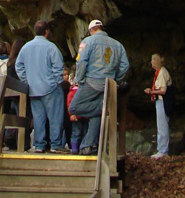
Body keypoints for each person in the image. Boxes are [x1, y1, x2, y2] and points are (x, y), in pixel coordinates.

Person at [69, 20, 130, 155]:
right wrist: (116, 81)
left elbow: (81, 61)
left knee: (74, 107)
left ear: (91, 30)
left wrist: (78, 79)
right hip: (109, 84)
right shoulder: (118, 45)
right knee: (96, 115)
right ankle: (88, 145)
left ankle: (103, 107)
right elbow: (125, 66)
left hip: (91, 82)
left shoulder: (88, 42)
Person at [16, 21, 67, 153]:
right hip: (50, 87)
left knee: (38, 118)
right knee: (55, 117)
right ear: (47, 31)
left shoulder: (26, 48)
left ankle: (39, 144)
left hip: (33, 89)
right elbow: (58, 66)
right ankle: (55, 144)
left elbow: (19, 66)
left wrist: (27, 81)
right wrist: (57, 81)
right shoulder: (51, 47)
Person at [4, 39, 30, 151]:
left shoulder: (9, 63)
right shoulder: (18, 63)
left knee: (16, 120)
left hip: (12, 96)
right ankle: (23, 143)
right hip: (21, 94)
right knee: (24, 119)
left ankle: (13, 141)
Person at [144, 54, 172, 159]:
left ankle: (163, 151)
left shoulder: (162, 72)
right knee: (161, 124)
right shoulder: (159, 72)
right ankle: (161, 149)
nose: (151, 62)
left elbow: (163, 90)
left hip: (163, 101)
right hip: (160, 101)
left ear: (157, 61)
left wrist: (151, 91)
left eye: (152, 60)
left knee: (162, 125)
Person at [67, 82, 88, 155]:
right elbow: (70, 104)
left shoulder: (86, 91)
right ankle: (75, 149)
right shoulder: (73, 92)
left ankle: (83, 148)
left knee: (85, 132)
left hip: (85, 116)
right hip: (76, 116)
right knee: (76, 132)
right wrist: (71, 114)